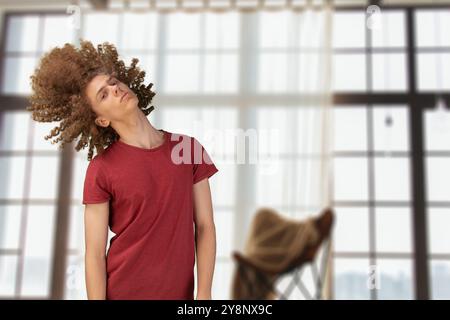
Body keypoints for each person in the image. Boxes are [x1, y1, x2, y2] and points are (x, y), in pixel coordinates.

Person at [27, 40, 219, 300]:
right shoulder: (101, 169)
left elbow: (205, 226)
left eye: (113, 82)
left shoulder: (188, 149)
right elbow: (94, 253)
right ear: (101, 119)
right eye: (103, 95)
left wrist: (204, 294)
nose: (115, 90)